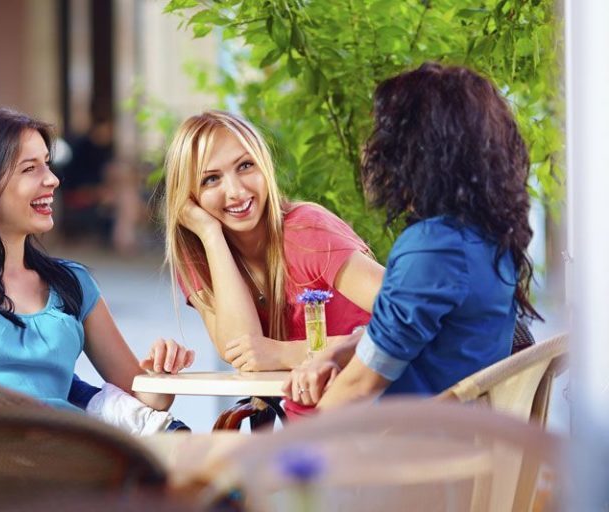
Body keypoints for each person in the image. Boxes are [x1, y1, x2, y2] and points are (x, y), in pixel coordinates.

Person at [0, 107, 194, 433]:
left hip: (71, 457)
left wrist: (161, 373)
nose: (52, 180)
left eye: (47, 164)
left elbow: (141, 396)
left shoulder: (73, 284)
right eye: (29, 169)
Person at [284, 62, 543, 409]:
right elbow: (426, 335)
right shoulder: (485, 237)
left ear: (416, 150)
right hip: (466, 438)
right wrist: (345, 347)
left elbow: (361, 385)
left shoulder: (433, 247)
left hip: (411, 448)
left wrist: (291, 452)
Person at [163, 110, 385, 417]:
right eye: (211, 179)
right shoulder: (200, 255)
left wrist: (286, 352)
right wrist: (211, 235)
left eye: (245, 166)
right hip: (309, 437)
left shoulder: (307, 233)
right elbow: (242, 349)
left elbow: (413, 316)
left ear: (263, 165)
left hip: (383, 418)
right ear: (189, 197)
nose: (236, 191)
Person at [59, 114, 143, 254]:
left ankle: (124, 238)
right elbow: (77, 178)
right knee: (125, 198)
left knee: (125, 196)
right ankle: (125, 239)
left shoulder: (103, 149)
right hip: (81, 191)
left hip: (99, 190)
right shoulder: (82, 148)